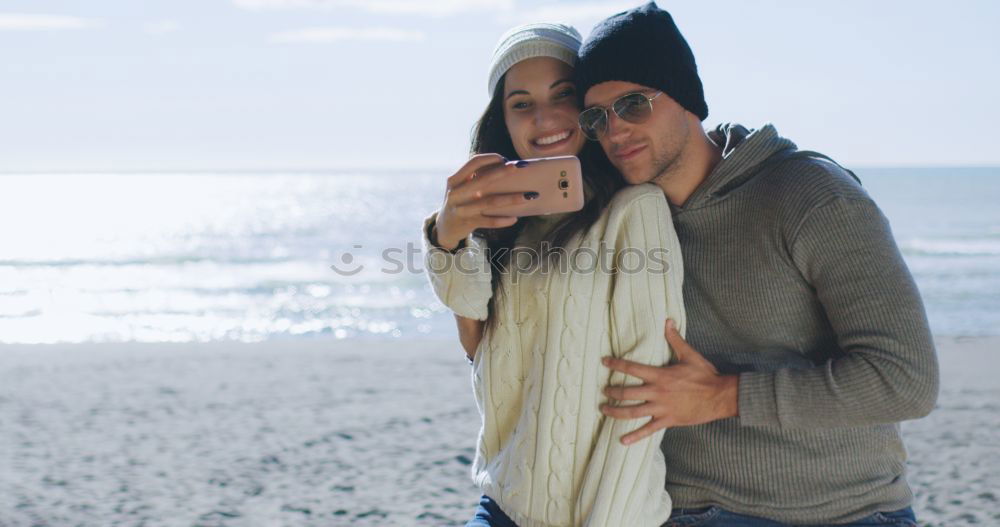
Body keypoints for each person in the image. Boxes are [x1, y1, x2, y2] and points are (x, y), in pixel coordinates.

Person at [571, 3, 939, 526]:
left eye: (633, 104)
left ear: (688, 100)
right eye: (596, 117)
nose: (614, 131)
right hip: (680, 509)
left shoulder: (810, 196)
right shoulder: (625, 217)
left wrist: (725, 396)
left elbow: (906, 380)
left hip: (837, 511)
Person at [422, 23, 686, 527]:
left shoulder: (636, 210)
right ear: (503, 119)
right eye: (521, 102)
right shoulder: (506, 223)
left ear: (587, 105)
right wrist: (451, 237)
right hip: (501, 504)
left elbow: (643, 396)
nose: (543, 117)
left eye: (562, 95)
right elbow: (479, 348)